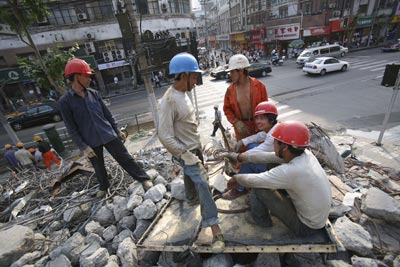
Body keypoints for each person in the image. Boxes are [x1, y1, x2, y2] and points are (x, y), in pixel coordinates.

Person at [158, 52, 225, 253]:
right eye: (194, 76)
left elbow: (186, 124)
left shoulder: (184, 95)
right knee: (203, 183)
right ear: (184, 75)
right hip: (186, 152)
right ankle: (216, 230)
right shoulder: (168, 100)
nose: (196, 81)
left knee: (193, 183)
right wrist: (185, 154)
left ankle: (192, 198)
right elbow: (164, 135)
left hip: (194, 148)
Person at [59, 58, 152, 198]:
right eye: (87, 76)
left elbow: (107, 114)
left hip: (107, 133)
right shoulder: (65, 102)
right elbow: (71, 128)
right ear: (77, 77)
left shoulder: (93, 94)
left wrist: (116, 130)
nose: (90, 79)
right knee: (98, 166)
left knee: (125, 158)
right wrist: (83, 147)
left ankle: (143, 178)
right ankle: (104, 187)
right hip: (90, 141)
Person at [227, 121, 332, 236]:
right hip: (316, 217)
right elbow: (267, 157)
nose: (273, 145)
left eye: (275, 142)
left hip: (307, 227)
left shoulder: (293, 170)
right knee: (272, 164)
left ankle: (262, 221)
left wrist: (236, 178)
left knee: (259, 188)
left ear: (285, 147)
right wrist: (240, 157)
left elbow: (256, 180)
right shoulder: (304, 154)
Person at [221, 101, 284, 199]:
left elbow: (260, 150)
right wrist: (242, 141)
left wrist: (238, 158)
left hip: (279, 169)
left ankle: (239, 189)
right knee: (252, 145)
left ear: (271, 119)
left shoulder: (273, 135)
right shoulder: (273, 128)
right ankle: (247, 179)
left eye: (262, 118)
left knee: (249, 162)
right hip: (277, 161)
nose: (258, 121)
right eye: (257, 118)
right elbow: (259, 136)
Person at [223, 54, 268, 143]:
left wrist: (264, 125)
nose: (230, 75)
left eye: (232, 72)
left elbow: (266, 109)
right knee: (244, 153)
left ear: (241, 71)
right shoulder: (230, 90)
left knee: (259, 153)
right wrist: (236, 122)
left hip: (259, 128)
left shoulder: (259, 86)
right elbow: (227, 109)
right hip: (242, 130)